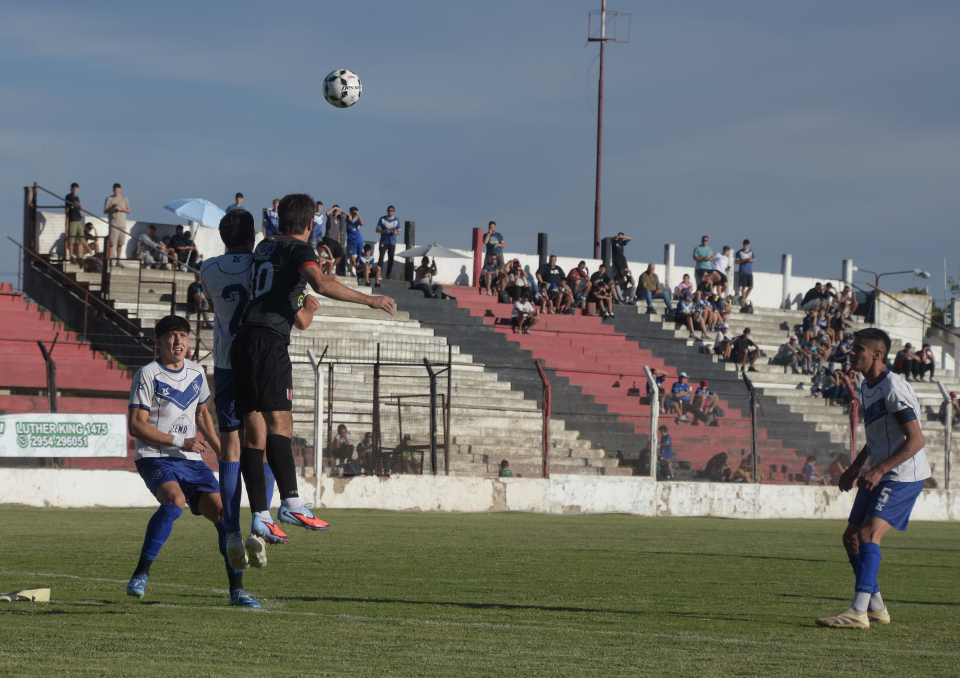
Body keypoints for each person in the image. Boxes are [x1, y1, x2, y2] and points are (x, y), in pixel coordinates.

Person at [231, 193, 395, 538]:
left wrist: (303, 302)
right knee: (281, 423)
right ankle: (291, 503)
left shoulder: (266, 247)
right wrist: (371, 300)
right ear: (310, 224)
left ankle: (260, 515)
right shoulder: (298, 249)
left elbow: (299, 303)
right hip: (269, 343)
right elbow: (321, 282)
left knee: (254, 432)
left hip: (244, 340)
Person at [125, 315, 259, 607]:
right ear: (159, 341)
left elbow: (202, 415)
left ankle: (237, 591)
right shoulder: (147, 375)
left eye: (183, 336)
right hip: (156, 456)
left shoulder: (197, 372)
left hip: (191, 460)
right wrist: (180, 441)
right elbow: (136, 426)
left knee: (224, 515)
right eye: (172, 336)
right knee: (174, 501)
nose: (179, 342)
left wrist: (221, 451)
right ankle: (141, 573)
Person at [816, 327, 931, 630]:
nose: (851, 352)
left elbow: (916, 440)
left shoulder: (894, 388)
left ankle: (858, 611)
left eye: (858, 349)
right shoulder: (866, 386)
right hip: (878, 472)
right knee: (851, 538)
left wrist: (879, 470)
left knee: (868, 534)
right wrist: (856, 467)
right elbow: (877, 436)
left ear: (877, 354)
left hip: (903, 475)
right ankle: (876, 606)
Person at [200, 208, 297, 568]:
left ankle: (230, 532)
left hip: (226, 362)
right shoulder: (262, 263)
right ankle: (262, 524)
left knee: (231, 449)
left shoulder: (208, 268)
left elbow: (214, 303)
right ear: (253, 235)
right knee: (264, 443)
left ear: (223, 236)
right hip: (260, 358)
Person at [104, 183, 130, 266]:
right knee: (111, 243)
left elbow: (129, 210)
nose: (116, 192)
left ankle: (118, 261)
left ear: (120, 190)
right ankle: (110, 260)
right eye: (115, 190)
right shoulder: (109, 198)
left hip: (122, 224)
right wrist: (112, 208)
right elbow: (105, 211)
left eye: (117, 190)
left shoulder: (124, 198)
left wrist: (123, 209)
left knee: (120, 243)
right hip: (113, 224)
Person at [375, 206, 401, 279]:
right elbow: (377, 230)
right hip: (383, 241)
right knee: (381, 258)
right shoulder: (382, 219)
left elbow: (400, 231)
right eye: (388, 210)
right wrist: (384, 231)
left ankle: (388, 275)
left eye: (391, 211)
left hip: (392, 242)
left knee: (391, 259)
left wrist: (396, 233)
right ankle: (379, 274)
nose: (390, 212)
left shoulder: (396, 220)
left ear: (394, 211)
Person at [64, 182, 85, 262]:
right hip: (72, 220)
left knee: (80, 239)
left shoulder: (77, 197)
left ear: (78, 190)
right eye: (73, 189)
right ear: (71, 189)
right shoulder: (68, 196)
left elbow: (78, 207)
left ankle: (80, 257)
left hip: (78, 220)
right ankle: (71, 256)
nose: (74, 190)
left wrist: (80, 214)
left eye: (76, 189)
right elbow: (74, 202)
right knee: (71, 239)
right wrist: (80, 205)